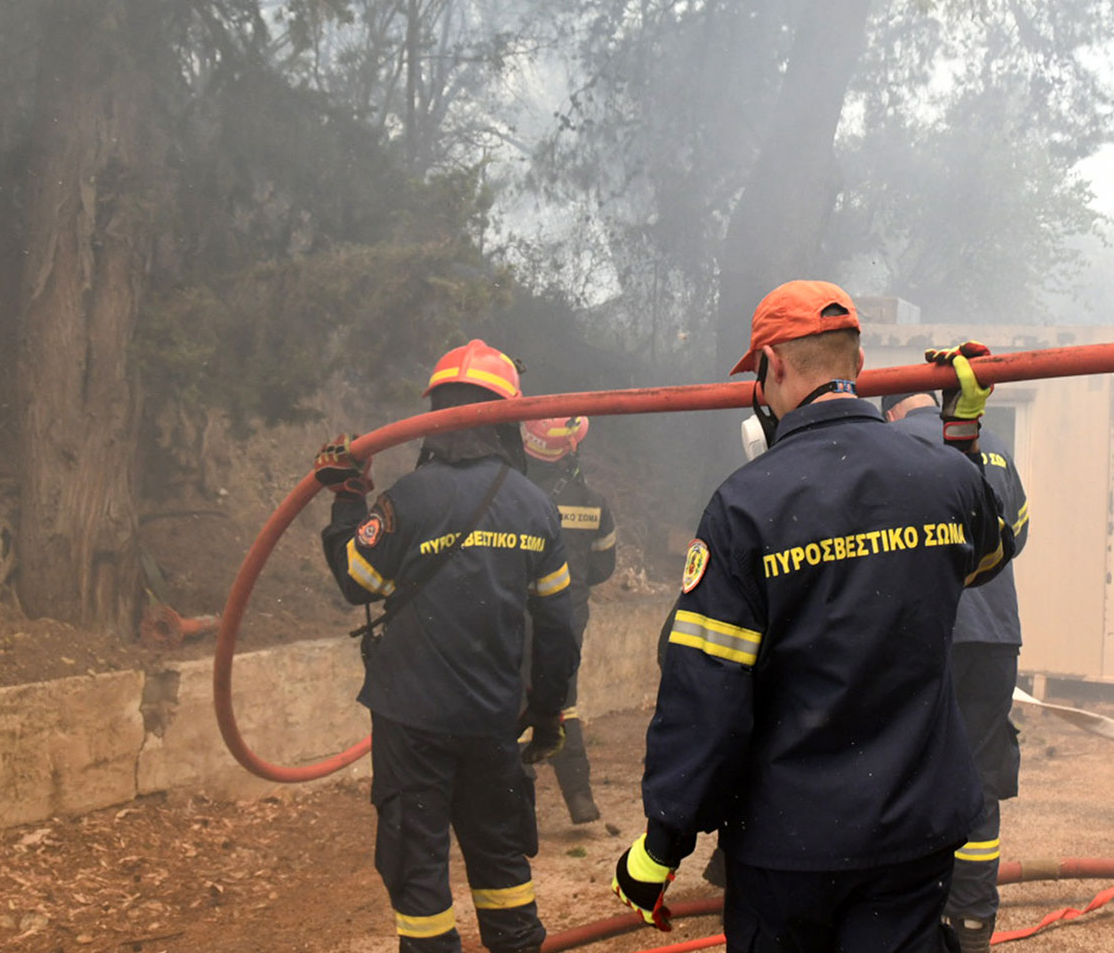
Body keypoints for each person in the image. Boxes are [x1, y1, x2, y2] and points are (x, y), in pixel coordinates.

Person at [611, 280, 1017, 952]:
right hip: (913, 832)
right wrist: (963, 433)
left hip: (791, 843)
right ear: (857, 367)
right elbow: (989, 555)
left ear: (772, 365)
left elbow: (707, 692)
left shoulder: (745, 505)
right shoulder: (942, 474)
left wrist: (663, 843)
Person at [316, 339, 579, 953]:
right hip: (493, 720)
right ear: (507, 416)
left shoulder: (406, 501)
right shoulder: (535, 508)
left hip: (412, 722)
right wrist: (547, 714)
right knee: (501, 863)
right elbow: (559, 629)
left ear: (434, 413)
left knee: (419, 871)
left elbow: (358, 583)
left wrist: (348, 498)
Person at [883, 391, 1030, 951]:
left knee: (905, 766)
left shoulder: (887, 444)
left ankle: (909, 914)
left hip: (923, 630)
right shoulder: (991, 445)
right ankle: (970, 922)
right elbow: (1015, 533)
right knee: (978, 776)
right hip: (994, 635)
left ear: (891, 408)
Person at [521, 415, 618, 824]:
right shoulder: (594, 501)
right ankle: (579, 797)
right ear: (570, 448)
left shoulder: (515, 494)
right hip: (568, 616)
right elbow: (603, 566)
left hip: (517, 613)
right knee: (565, 700)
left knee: (509, 701)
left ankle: (515, 806)